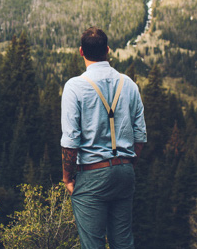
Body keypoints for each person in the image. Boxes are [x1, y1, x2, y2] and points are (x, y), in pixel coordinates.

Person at [61, 26, 147, 249]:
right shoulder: (129, 85)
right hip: (125, 173)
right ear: (108, 50)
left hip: (91, 175)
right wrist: (127, 165)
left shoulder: (75, 87)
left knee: (93, 244)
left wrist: (68, 178)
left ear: (81, 52)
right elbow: (140, 136)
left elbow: (71, 141)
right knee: (124, 243)